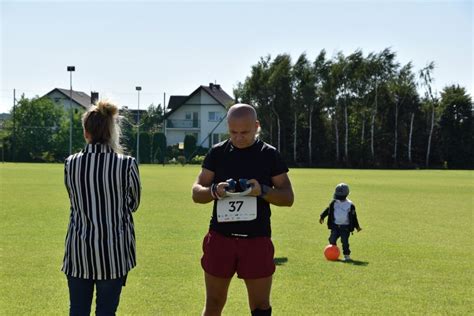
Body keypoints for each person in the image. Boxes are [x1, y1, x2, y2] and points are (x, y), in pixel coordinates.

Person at [192, 103, 294, 316]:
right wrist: (214, 190)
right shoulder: (217, 153)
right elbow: (196, 192)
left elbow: (287, 197)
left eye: (245, 132)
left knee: (260, 307)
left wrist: (262, 190)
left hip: (256, 240)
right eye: (233, 132)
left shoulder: (269, 154)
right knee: (213, 303)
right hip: (220, 239)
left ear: (256, 126)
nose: (238, 137)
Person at [62, 100, 141, 315]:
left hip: (78, 250)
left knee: (77, 310)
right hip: (114, 252)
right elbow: (134, 204)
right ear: (111, 130)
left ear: (86, 132)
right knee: (107, 311)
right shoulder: (126, 164)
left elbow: (74, 200)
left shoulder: (71, 163)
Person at [319, 183, 361, 261]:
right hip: (335, 226)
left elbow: (354, 217)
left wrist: (357, 227)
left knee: (344, 242)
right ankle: (333, 253)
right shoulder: (334, 203)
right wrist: (322, 216)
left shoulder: (350, 205)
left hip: (345, 228)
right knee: (332, 239)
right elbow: (328, 210)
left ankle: (346, 255)